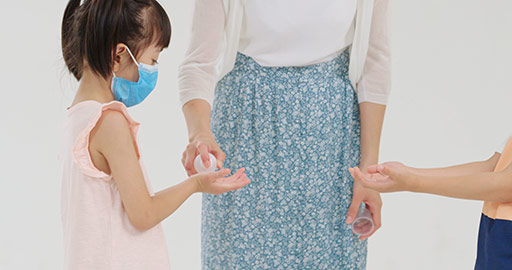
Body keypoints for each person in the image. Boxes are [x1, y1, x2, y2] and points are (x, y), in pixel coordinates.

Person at [178, 0, 391, 268]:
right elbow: (198, 63)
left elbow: (376, 63)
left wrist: (368, 173)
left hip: (330, 142)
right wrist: (200, 133)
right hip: (246, 133)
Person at [59, 1, 250, 269]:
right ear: (119, 55)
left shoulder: (77, 116)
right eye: (153, 59)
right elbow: (143, 213)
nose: (152, 69)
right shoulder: (110, 122)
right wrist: (196, 185)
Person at [350, 135, 512, 269]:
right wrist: (407, 173)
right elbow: (493, 167)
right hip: (496, 239)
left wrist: (413, 181)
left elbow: (507, 185)